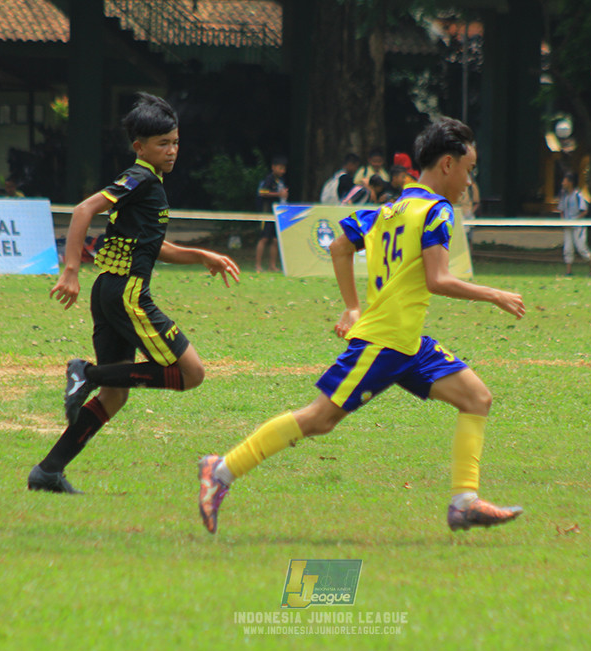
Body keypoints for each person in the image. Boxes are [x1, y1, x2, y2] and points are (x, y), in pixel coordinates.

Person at [197, 117, 527, 534]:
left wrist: (353, 307)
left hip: (409, 344)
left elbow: (339, 245)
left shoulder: (387, 210)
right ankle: (221, 470)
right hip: (385, 342)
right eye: (468, 169)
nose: (468, 181)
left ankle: (464, 503)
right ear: (447, 164)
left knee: (476, 398)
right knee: (320, 418)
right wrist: (494, 294)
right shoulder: (436, 212)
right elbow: (438, 280)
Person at [28, 92, 240, 494]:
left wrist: (200, 255)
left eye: (175, 142)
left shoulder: (149, 185)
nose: (172, 150)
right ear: (139, 147)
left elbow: (153, 246)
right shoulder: (140, 178)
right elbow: (83, 210)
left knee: (115, 395)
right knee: (191, 373)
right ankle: (85, 373)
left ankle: (48, 471)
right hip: (126, 294)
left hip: (109, 291)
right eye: (163, 144)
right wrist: (70, 270)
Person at [557, 172, 591, 277]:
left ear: (570, 182)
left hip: (578, 227)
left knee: (581, 248)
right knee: (567, 248)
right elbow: (561, 210)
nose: (562, 183)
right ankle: (569, 271)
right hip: (567, 227)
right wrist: (564, 222)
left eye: (565, 181)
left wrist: (574, 220)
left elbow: (584, 211)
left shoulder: (578, 195)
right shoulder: (564, 195)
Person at [255, 155, 289, 272]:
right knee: (264, 238)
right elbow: (262, 192)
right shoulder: (269, 179)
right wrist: (278, 194)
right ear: (273, 167)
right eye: (280, 168)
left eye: (284, 168)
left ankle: (272, 265)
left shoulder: (281, 181)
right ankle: (258, 265)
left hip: (277, 213)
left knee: (275, 240)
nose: (282, 171)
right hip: (267, 213)